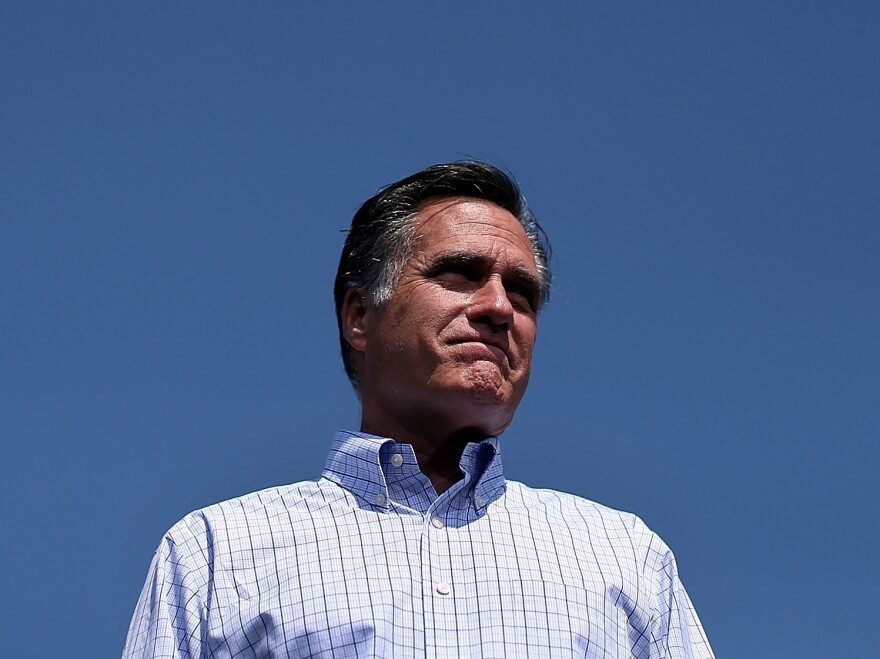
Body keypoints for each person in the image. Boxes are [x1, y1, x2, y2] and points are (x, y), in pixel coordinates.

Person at [122, 161, 714, 658]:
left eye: (522, 292)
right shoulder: (216, 553)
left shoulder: (623, 559)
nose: (499, 308)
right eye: (459, 274)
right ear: (360, 316)